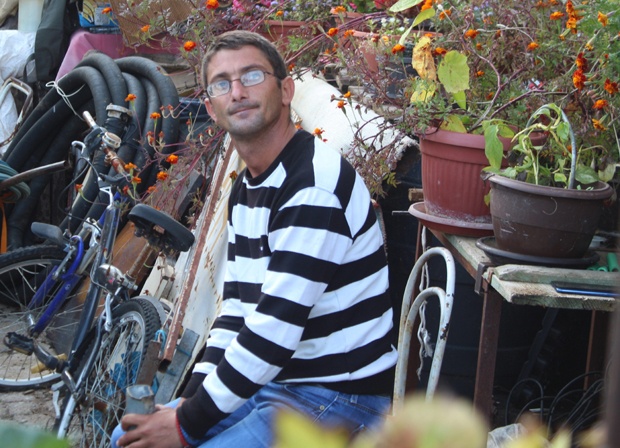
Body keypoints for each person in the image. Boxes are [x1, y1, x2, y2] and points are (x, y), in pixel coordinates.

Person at [114, 30, 398, 448]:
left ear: (286, 91)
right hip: (275, 383)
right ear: (210, 109)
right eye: (222, 83)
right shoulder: (248, 187)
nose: (237, 92)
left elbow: (273, 332)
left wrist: (185, 425)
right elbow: (237, 312)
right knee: (128, 437)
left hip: (340, 397)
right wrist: (186, 403)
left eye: (252, 76)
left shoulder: (311, 187)